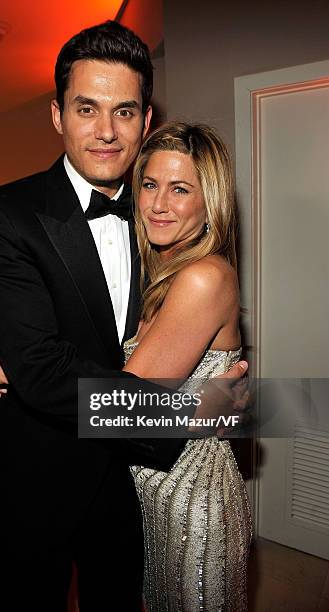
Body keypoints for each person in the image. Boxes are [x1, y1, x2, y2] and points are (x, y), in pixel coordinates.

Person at [0, 21, 248, 612]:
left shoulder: (157, 221)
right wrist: (194, 407)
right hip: (34, 486)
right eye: (87, 108)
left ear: (145, 119)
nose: (107, 132)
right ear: (58, 114)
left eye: (125, 112)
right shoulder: (2, 216)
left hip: (130, 484)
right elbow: (44, 365)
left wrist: (6, 366)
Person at [122, 122, 252, 611]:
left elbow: (114, 411)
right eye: (150, 185)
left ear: (209, 204)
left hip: (191, 505)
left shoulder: (202, 277)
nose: (158, 204)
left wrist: (11, 370)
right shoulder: (160, 273)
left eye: (180, 189)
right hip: (150, 494)